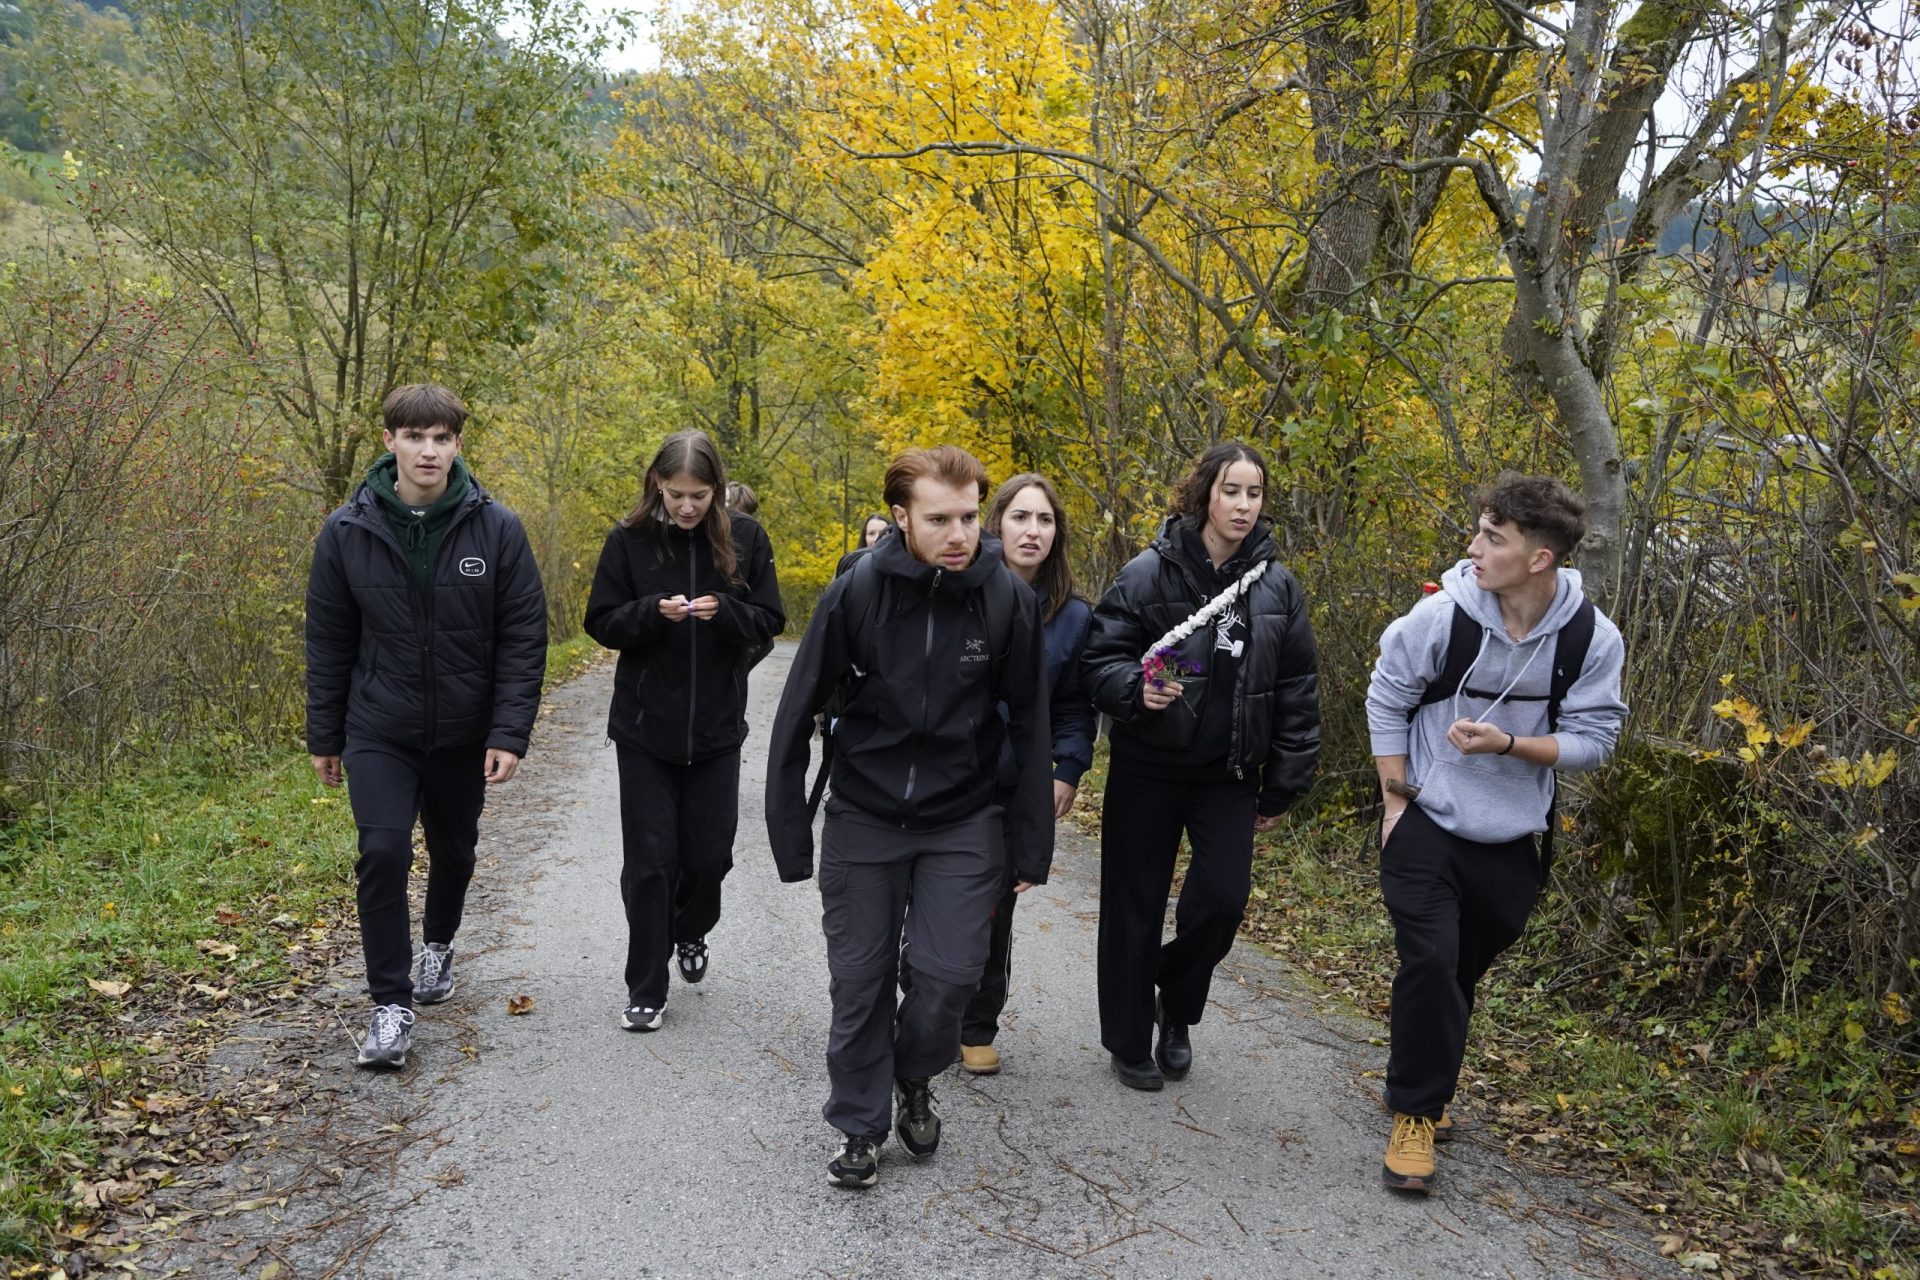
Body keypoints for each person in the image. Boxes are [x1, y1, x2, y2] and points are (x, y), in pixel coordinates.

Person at [765, 445, 1052, 1190]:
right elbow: (795, 713)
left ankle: (914, 1076)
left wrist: (1031, 846)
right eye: (939, 520)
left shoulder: (1005, 599)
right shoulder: (856, 593)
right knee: (858, 983)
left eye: (967, 517)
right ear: (901, 518)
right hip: (864, 815)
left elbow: (1031, 724)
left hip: (963, 820)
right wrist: (791, 833)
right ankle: (860, 1126)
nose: (960, 534)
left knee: (951, 978)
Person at [1365, 473, 1625, 1195]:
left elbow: (1595, 740)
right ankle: (1416, 1118)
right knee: (1430, 961)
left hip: (1513, 838)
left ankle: (1416, 1081)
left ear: (1539, 558)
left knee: (1456, 975)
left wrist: (1510, 745)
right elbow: (1384, 698)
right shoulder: (1441, 618)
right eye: (1479, 531)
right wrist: (1395, 802)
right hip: (1425, 815)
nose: (1474, 548)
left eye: (1494, 538)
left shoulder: (1589, 638)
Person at [306, 383, 548, 1070]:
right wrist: (325, 735)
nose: (429, 450)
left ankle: (437, 944)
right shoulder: (346, 531)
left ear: (458, 446)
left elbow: (524, 635)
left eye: (442, 438)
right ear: (390, 443)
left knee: (456, 850)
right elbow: (328, 641)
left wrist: (508, 731)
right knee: (382, 853)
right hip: (379, 727)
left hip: (465, 730)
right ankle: (391, 1005)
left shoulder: (497, 529)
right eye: (415, 437)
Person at [1081, 441, 1320, 1092]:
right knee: (1133, 907)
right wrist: (1136, 689)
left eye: (1255, 493)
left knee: (1221, 902)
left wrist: (1285, 783)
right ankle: (1129, 1042)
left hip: (1229, 775)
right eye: (1232, 491)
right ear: (1203, 494)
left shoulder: (1277, 587)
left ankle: (1175, 1008)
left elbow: (1298, 688)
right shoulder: (1146, 574)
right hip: (1148, 769)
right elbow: (1099, 662)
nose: (1244, 505)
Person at [584, 430, 784, 1033]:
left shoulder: (746, 539)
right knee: (650, 862)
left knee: (707, 858)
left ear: (717, 491)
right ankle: (646, 984)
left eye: (699, 495)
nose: (687, 507)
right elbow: (601, 621)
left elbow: (771, 621)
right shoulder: (629, 539)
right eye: (676, 494)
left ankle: (690, 927)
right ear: (657, 486)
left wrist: (726, 612)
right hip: (645, 732)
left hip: (717, 731)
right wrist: (651, 613)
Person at [953, 472, 1096, 1076]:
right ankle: (921, 1000)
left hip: (1019, 783)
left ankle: (976, 1024)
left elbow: (1073, 706)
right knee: (935, 898)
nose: (1032, 531)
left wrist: (1066, 768)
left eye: (1044, 520)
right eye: (1020, 517)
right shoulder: (960, 591)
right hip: (953, 774)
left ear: (1057, 533)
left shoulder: (1074, 617)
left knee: (995, 907)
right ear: (997, 524)